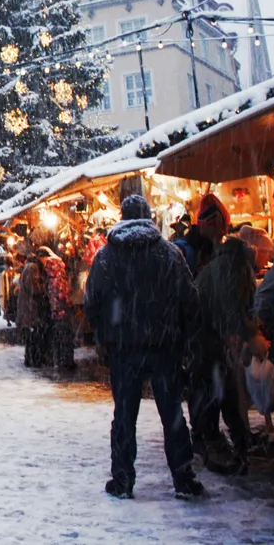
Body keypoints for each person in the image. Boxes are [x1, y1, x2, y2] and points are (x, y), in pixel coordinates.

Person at [85, 195, 205, 501]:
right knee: (172, 414)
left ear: (122, 217)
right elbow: (190, 300)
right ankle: (183, 478)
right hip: (165, 347)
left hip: (124, 349)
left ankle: (122, 480)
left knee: (124, 415)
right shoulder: (169, 253)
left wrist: (104, 336)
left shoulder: (105, 257)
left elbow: (92, 302)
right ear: (148, 217)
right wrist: (189, 339)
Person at [190, 237, 258, 475]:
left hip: (204, 340)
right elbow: (230, 310)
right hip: (207, 341)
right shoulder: (230, 269)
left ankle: (215, 441)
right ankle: (217, 442)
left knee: (215, 391)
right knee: (218, 390)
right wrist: (244, 334)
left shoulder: (221, 266)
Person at [36, 247, 75, 371]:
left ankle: (63, 361)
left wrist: (55, 308)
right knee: (65, 336)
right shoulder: (59, 273)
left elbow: (57, 295)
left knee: (60, 336)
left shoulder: (53, 276)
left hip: (59, 311)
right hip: (63, 310)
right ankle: (65, 360)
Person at [16, 252, 51, 368]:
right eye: (46, 258)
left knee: (33, 335)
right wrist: (45, 288)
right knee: (33, 335)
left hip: (29, 307)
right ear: (41, 257)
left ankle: (32, 358)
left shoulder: (31, 266)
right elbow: (33, 287)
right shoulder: (33, 267)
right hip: (30, 308)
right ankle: (33, 359)